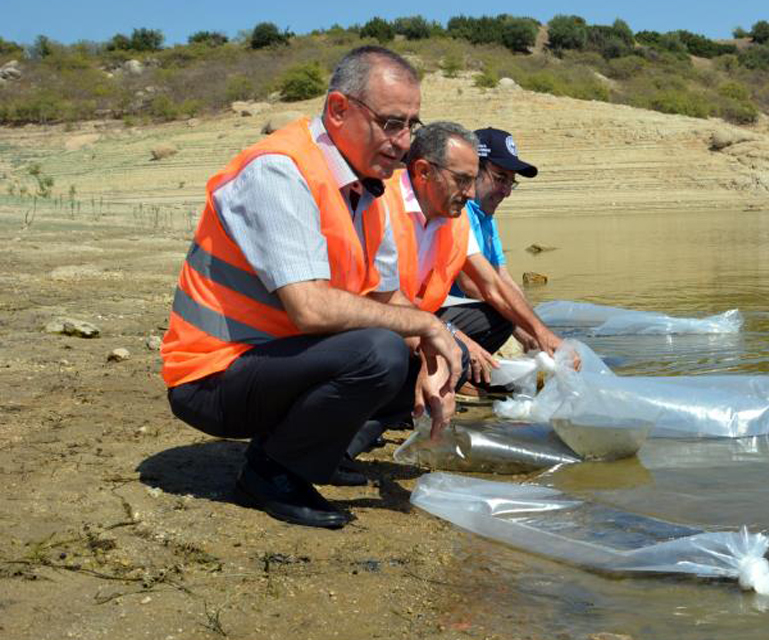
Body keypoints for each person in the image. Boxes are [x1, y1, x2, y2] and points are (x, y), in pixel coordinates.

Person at [161, 46, 462, 530]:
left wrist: (436, 362)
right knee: (380, 351)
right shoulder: (279, 170)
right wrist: (427, 325)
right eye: (391, 124)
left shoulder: (367, 189)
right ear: (339, 109)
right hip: (211, 377)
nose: (404, 142)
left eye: (412, 125)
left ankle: (310, 449)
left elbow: (386, 297)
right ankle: (271, 473)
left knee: (424, 355)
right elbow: (310, 309)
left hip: (278, 362)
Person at [383, 123, 563, 390]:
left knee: (497, 321)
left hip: (422, 314)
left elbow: (495, 283)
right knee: (387, 350)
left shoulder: (457, 215)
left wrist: (541, 333)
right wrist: (454, 337)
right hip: (385, 317)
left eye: (511, 182)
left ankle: (442, 380)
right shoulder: (385, 203)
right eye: (463, 179)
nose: (469, 193)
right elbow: (384, 298)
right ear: (424, 172)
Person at [449, 127, 545, 352]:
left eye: (511, 182)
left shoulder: (486, 217)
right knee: (502, 318)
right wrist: (522, 329)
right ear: (473, 171)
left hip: (460, 313)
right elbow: (472, 284)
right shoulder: (457, 211)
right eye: (500, 178)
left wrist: (539, 329)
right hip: (435, 312)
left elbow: (503, 277)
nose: (506, 191)